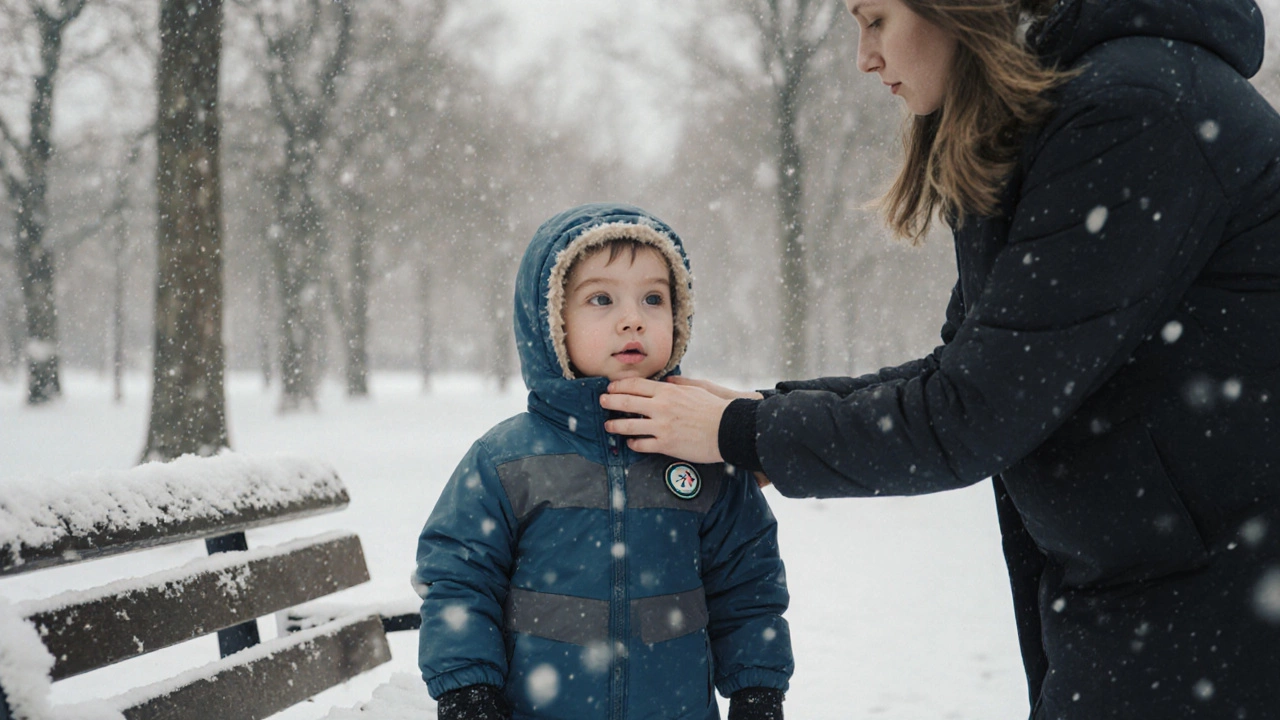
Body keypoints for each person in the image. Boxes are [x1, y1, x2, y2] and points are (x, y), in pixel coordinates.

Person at [600, 0, 1280, 717]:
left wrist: (743, 432)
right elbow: (958, 371)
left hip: (1217, 600)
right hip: (1154, 590)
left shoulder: (1135, 112)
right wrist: (761, 416)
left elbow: (974, 412)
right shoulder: (1054, 116)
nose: (864, 58)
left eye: (875, 20)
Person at [414, 203, 794, 720]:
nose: (633, 318)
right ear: (552, 323)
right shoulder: (506, 460)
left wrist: (757, 691)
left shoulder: (702, 452)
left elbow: (748, 586)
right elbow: (459, 578)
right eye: (601, 298)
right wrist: (468, 690)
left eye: (653, 298)